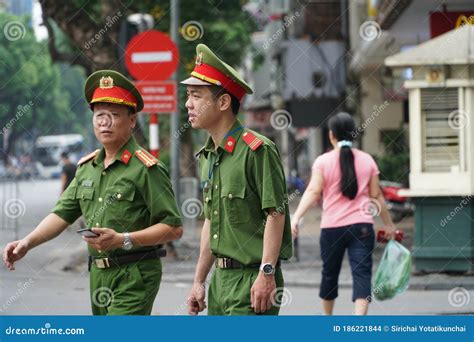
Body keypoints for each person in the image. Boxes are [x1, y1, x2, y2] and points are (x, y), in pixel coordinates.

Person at [3, 70, 183, 315]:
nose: (104, 122)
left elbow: (173, 227)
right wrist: (27, 242)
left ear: (132, 120)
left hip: (135, 273)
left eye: (114, 115)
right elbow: (61, 214)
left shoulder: (146, 169)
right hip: (98, 273)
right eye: (99, 115)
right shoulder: (87, 168)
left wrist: (123, 239)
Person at [182, 44, 293, 315]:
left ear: (223, 102)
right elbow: (211, 220)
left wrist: (266, 273)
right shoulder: (208, 155)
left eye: (196, 96)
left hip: (252, 279)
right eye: (188, 95)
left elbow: (275, 213)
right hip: (220, 282)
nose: (188, 104)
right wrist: (199, 281)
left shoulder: (258, 150)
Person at [291, 112, 397, 315]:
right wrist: (389, 224)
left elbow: (313, 191)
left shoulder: (323, 161)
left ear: (331, 135)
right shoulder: (367, 160)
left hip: (331, 228)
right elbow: (377, 196)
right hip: (362, 227)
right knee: (362, 275)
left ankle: (329, 323)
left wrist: (296, 218)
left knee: (329, 275)